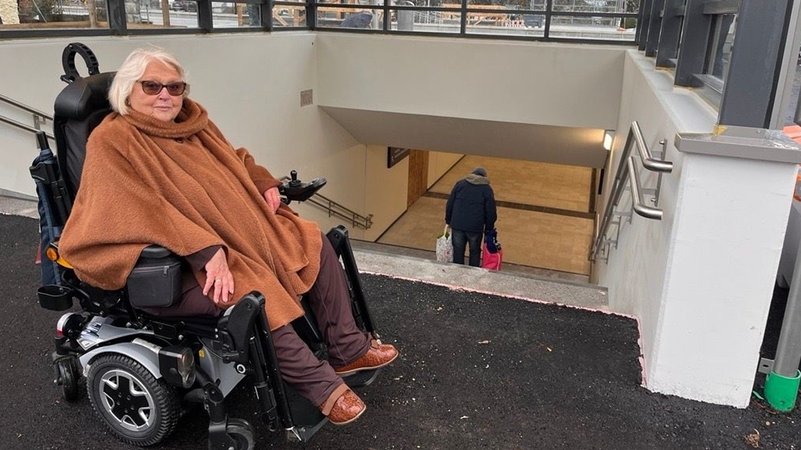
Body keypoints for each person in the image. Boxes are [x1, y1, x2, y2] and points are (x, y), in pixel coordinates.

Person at [59, 47, 398, 426]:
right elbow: (138, 209)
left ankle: (347, 347)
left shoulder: (193, 124)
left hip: (231, 235)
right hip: (173, 260)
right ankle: (324, 390)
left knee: (310, 239)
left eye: (175, 86)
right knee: (250, 291)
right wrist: (204, 250)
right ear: (127, 91)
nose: (165, 96)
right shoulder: (114, 140)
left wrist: (262, 180)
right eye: (152, 87)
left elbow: (234, 158)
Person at [445, 167, 497, 267]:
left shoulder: (460, 184)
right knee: (475, 252)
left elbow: (450, 203)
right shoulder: (486, 189)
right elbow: (490, 211)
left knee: (458, 251)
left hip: (458, 225)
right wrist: (488, 228)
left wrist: (448, 220)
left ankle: (457, 274)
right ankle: (472, 276)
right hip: (475, 228)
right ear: (484, 177)